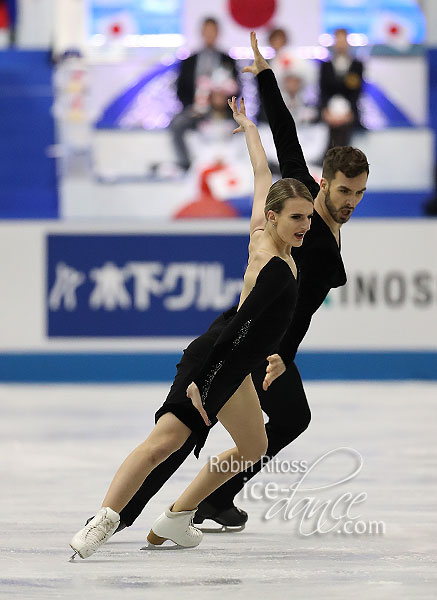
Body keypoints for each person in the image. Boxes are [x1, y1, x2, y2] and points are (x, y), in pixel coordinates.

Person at [113, 31, 369, 534]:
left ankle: (201, 505)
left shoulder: (327, 218)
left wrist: (266, 76)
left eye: (359, 193)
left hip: (278, 348)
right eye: (343, 190)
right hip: (257, 339)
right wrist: (265, 81)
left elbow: (284, 130)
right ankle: (133, 513)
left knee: (286, 421)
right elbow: (285, 136)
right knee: (189, 432)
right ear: (324, 182)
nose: (351, 201)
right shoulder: (302, 215)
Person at [69, 96, 314, 558]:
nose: (304, 225)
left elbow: (264, 177)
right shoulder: (272, 263)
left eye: (306, 216)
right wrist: (207, 381)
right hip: (217, 356)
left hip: (236, 362)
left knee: (253, 443)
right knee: (166, 441)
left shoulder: (264, 232)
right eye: (297, 217)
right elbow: (241, 325)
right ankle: (101, 521)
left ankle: (178, 518)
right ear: (275, 217)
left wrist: (252, 132)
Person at [170, 17, 240, 172]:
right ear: (201, 33)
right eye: (206, 31)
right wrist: (193, 106)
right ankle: (186, 164)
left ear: (218, 33)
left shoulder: (227, 59)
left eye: (213, 31)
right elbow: (180, 88)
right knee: (177, 124)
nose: (209, 34)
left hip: (222, 110)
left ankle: (233, 163)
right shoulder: (190, 60)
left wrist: (222, 103)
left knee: (242, 127)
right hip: (195, 109)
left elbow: (237, 87)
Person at [319, 28, 364, 150]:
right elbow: (322, 90)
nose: (340, 44)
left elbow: (357, 91)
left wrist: (349, 114)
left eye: (343, 40)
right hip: (329, 113)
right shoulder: (326, 66)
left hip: (349, 114)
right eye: (338, 40)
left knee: (347, 143)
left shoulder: (356, 65)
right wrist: (326, 111)